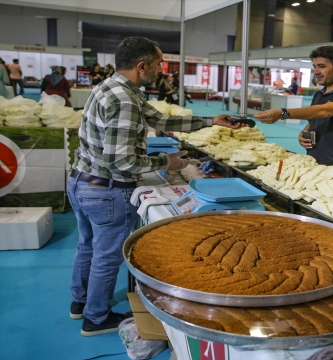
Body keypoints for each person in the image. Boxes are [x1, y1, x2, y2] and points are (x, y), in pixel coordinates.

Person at [67, 36, 243, 337]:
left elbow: (159, 119)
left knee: (87, 246)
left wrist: (212, 120)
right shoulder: (124, 99)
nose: (162, 69)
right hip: (106, 190)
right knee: (107, 255)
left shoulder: (114, 88)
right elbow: (120, 162)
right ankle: (95, 318)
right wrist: (166, 163)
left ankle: (80, 303)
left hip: (81, 182)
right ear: (142, 65)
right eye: (160, 63)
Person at [252, 45, 333, 167]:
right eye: (314, 67)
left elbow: (325, 111)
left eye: (322, 66)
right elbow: (314, 118)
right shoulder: (319, 94)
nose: (316, 72)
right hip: (314, 163)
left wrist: (281, 113)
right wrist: (305, 131)